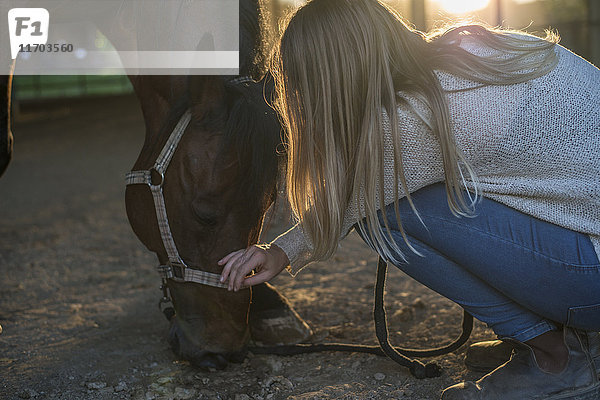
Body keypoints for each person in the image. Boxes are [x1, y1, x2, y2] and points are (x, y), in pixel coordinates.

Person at [218, 0, 600, 398]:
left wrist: (280, 251)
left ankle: (557, 358)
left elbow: (354, 202)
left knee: (386, 215)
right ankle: (557, 332)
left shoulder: (412, 117)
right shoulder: (467, 50)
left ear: (329, 79)